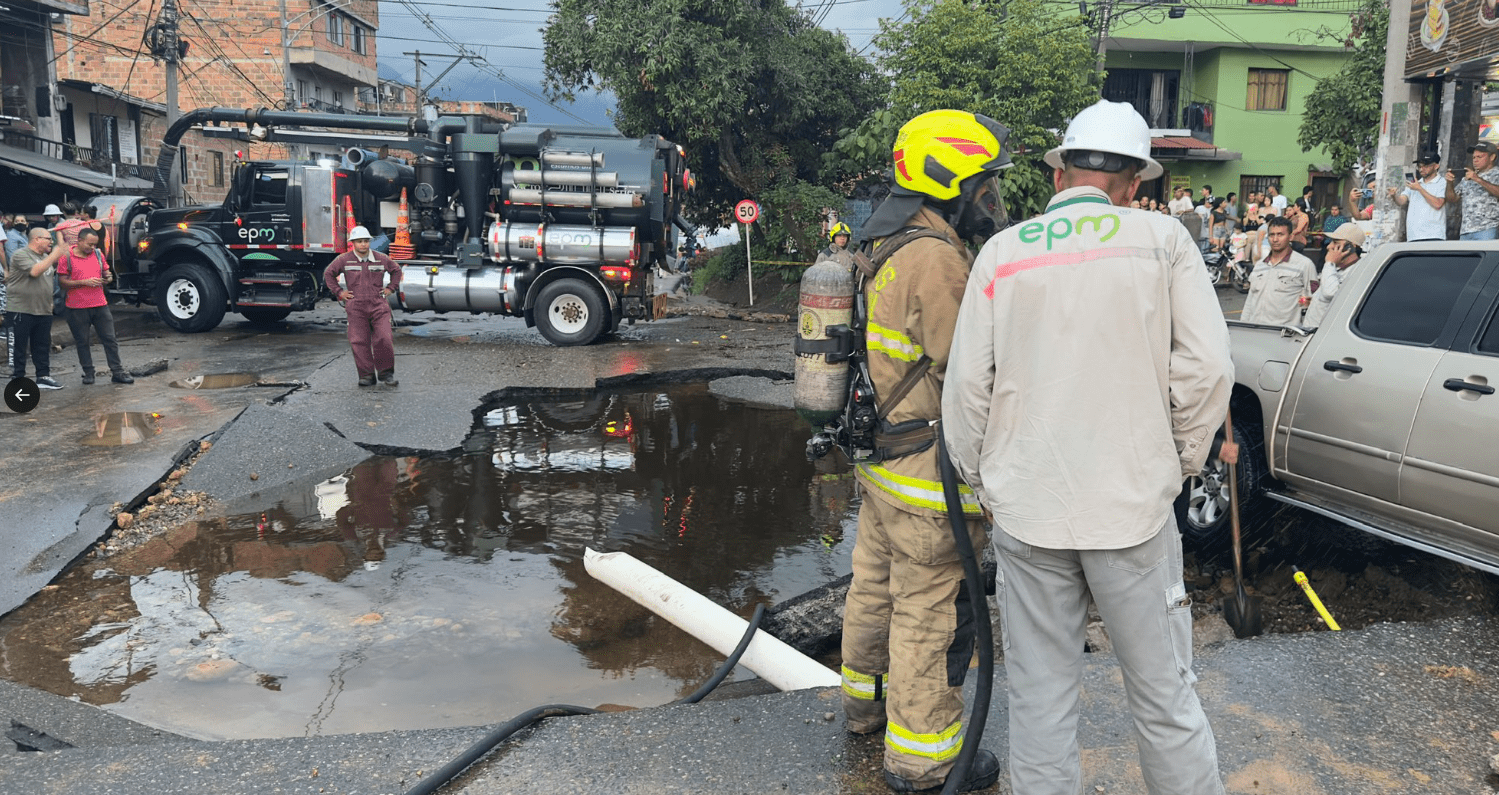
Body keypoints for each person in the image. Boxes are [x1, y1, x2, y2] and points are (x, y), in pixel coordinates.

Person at [943, 98, 1232, 795]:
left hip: (1027, 511)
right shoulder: (1161, 244)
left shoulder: (1001, 254)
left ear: (1058, 175)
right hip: (1130, 510)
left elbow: (965, 394)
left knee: (1041, 705)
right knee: (1164, 697)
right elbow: (1207, 370)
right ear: (1135, 182)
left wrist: (986, 480)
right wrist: (1178, 461)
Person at [840, 108, 1010, 794]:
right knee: (929, 607)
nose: (991, 201)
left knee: (873, 587)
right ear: (951, 182)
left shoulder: (877, 241)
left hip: (880, 459)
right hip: (924, 473)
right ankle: (922, 757)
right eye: (984, 184)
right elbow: (969, 371)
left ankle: (863, 708)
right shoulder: (936, 259)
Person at [324, 225, 401, 386]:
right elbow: (328, 274)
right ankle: (366, 376)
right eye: (359, 241)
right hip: (356, 305)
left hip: (378, 304)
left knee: (384, 338)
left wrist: (390, 288)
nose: (363, 245)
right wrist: (339, 292)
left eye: (366, 241)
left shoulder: (381, 258)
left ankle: (386, 374)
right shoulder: (344, 259)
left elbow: (396, 271)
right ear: (353, 243)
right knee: (359, 341)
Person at [57, 227, 132, 384]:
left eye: (94, 244)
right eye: (89, 244)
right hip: (77, 307)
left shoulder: (98, 254)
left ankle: (117, 371)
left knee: (110, 339)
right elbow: (62, 282)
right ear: (80, 241)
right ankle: (89, 372)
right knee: (82, 341)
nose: (92, 248)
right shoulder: (66, 258)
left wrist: (108, 277)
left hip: (100, 304)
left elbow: (106, 272)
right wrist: (83, 282)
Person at [6, 227, 65, 389]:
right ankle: (17, 378)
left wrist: (59, 241)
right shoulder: (21, 255)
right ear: (37, 239)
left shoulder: (45, 257)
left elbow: (60, 255)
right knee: (19, 345)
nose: (50, 243)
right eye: (48, 239)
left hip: (43, 309)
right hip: (21, 309)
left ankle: (43, 377)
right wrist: (54, 254)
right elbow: (34, 272)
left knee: (42, 345)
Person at [1241, 215, 1317, 325]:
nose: (1275, 239)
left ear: (1290, 237)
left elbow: (1312, 301)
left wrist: (1296, 303)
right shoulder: (1259, 266)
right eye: (1272, 235)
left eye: (1280, 234)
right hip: (1255, 333)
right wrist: (1243, 326)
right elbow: (1250, 300)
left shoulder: (1304, 265)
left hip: (1284, 336)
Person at [1303, 224, 1365, 328]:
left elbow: (1331, 293)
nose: (1329, 246)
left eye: (1335, 242)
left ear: (1350, 247)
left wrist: (1330, 263)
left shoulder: (1356, 271)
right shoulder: (1337, 269)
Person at [1445, 141, 1499, 241]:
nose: (1475, 160)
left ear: (1492, 157)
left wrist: (1477, 179)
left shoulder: (1496, 174)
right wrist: (1449, 183)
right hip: (1465, 230)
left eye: (1480, 157)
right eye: (1474, 157)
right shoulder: (1467, 177)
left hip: (1487, 229)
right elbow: (1452, 199)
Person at [1390, 153, 1448, 241]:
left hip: (1433, 235)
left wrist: (1419, 189)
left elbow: (1438, 204)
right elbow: (1401, 201)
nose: (1421, 169)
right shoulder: (1415, 183)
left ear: (1436, 166)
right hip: (1413, 235)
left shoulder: (1442, 182)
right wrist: (1394, 195)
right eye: (1419, 166)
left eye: (1426, 166)